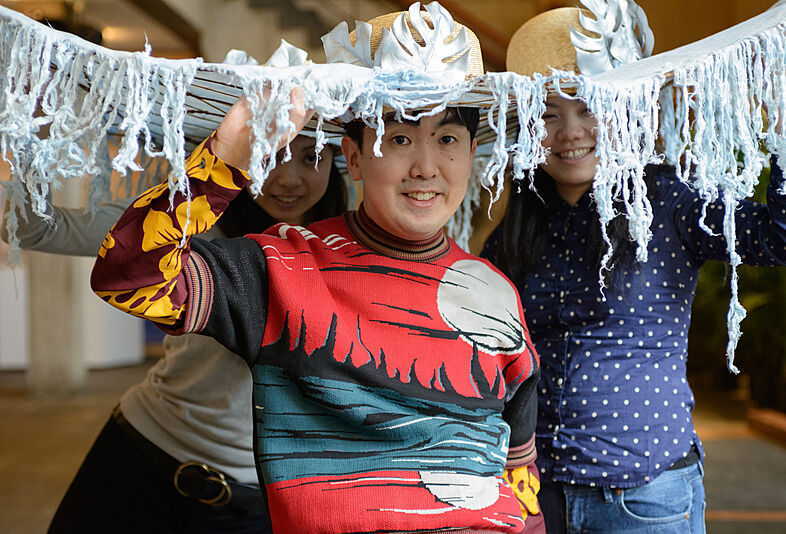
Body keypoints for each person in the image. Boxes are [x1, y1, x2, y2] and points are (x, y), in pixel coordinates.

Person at [90, 4, 544, 532]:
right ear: (352, 157)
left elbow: (516, 473)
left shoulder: (495, 292)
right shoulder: (283, 268)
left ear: (471, 154)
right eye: (398, 138)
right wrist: (227, 160)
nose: (426, 167)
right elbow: (129, 276)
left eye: (447, 139)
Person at [480, 5, 786, 534]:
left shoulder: (670, 203)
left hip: (645, 496)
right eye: (550, 113)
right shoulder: (516, 226)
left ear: (625, 109)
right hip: (536, 495)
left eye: (588, 107)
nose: (570, 132)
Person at [2, 132, 347, 534]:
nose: (287, 180)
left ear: (341, 163)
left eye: (312, 157)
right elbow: (33, 229)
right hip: (136, 459)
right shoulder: (188, 225)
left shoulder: (352, 253)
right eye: (267, 156)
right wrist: (36, 137)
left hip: (254, 501)